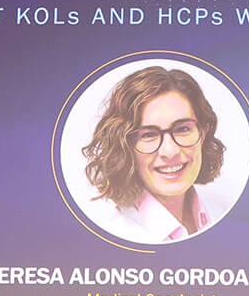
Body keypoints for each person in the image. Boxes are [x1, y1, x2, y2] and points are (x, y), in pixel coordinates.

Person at [81, 65, 233, 243]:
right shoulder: (110, 236)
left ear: (203, 133)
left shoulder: (224, 213)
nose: (170, 151)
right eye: (148, 135)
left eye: (182, 129)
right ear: (125, 146)